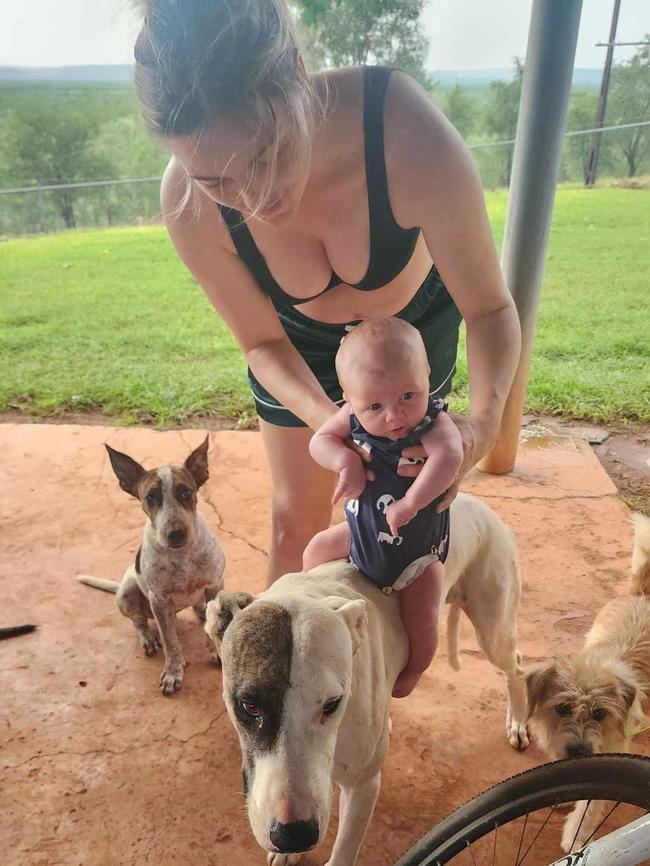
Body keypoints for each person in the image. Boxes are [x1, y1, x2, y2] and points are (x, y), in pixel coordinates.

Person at [132, 0, 521, 584]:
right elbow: (262, 343)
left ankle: (377, 665)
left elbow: (489, 308)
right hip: (296, 346)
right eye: (216, 180)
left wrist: (485, 422)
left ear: (294, 74)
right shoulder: (188, 203)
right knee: (296, 523)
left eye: (265, 157)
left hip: (408, 338)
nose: (253, 197)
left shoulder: (400, 130)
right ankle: (282, 673)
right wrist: (336, 424)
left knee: (408, 519)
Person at [304, 317, 464, 697]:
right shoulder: (352, 417)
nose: (395, 415)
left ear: (426, 374)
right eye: (375, 405)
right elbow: (320, 440)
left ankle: (416, 668)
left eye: (408, 395)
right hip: (361, 535)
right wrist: (345, 462)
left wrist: (412, 501)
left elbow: (450, 455)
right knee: (315, 549)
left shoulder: (434, 422)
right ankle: (316, 602)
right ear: (350, 400)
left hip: (416, 553)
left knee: (422, 616)